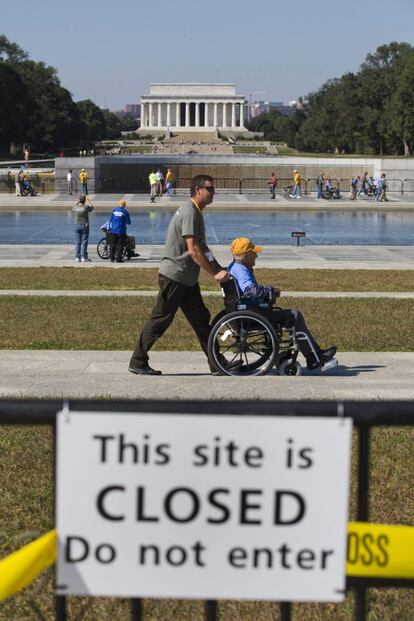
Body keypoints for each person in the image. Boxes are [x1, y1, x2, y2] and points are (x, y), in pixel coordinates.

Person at [128, 174, 231, 375]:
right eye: (209, 189)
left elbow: (202, 246)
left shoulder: (196, 212)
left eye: (213, 189)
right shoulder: (190, 212)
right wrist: (214, 274)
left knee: (201, 320)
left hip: (186, 278)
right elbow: (193, 250)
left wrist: (218, 268)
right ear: (197, 190)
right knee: (160, 319)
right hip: (175, 277)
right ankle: (138, 361)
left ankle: (217, 364)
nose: (213, 193)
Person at [227, 237, 337, 370]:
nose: (256, 256)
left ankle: (312, 355)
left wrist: (268, 297)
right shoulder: (241, 270)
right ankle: (314, 357)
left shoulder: (234, 267)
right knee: (294, 316)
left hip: (249, 311)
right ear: (245, 256)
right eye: (253, 253)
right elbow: (251, 291)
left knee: (291, 316)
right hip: (253, 313)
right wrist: (271, 290)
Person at [73, 194, 94, 262]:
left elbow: (73, 207)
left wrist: (78, 201)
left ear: (79, 200)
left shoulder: (76, 207)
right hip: (85, 225)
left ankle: (77, 257)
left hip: (77, 225)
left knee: (77, 242)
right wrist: (89, 201)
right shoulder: (86, 207)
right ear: (84, 201)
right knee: (84, 241)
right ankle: (83, 257)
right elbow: (92, 207)